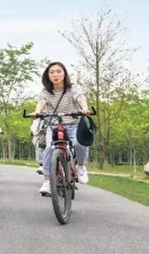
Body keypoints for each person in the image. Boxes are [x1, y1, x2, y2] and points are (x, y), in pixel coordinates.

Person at [30, 61, 90, 196]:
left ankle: (81, 166)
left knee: (79, 144)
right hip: (54, 124)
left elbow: (80, 98)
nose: (55, 75)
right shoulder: (46, 91)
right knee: (48, 149)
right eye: (51, 72)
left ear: (64, 73)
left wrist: (84, 108)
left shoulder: (73, 88)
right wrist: (36, 112)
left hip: (74, 123)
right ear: (47, 76)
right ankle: (47, 181)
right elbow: (41, 102)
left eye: (58, 71)